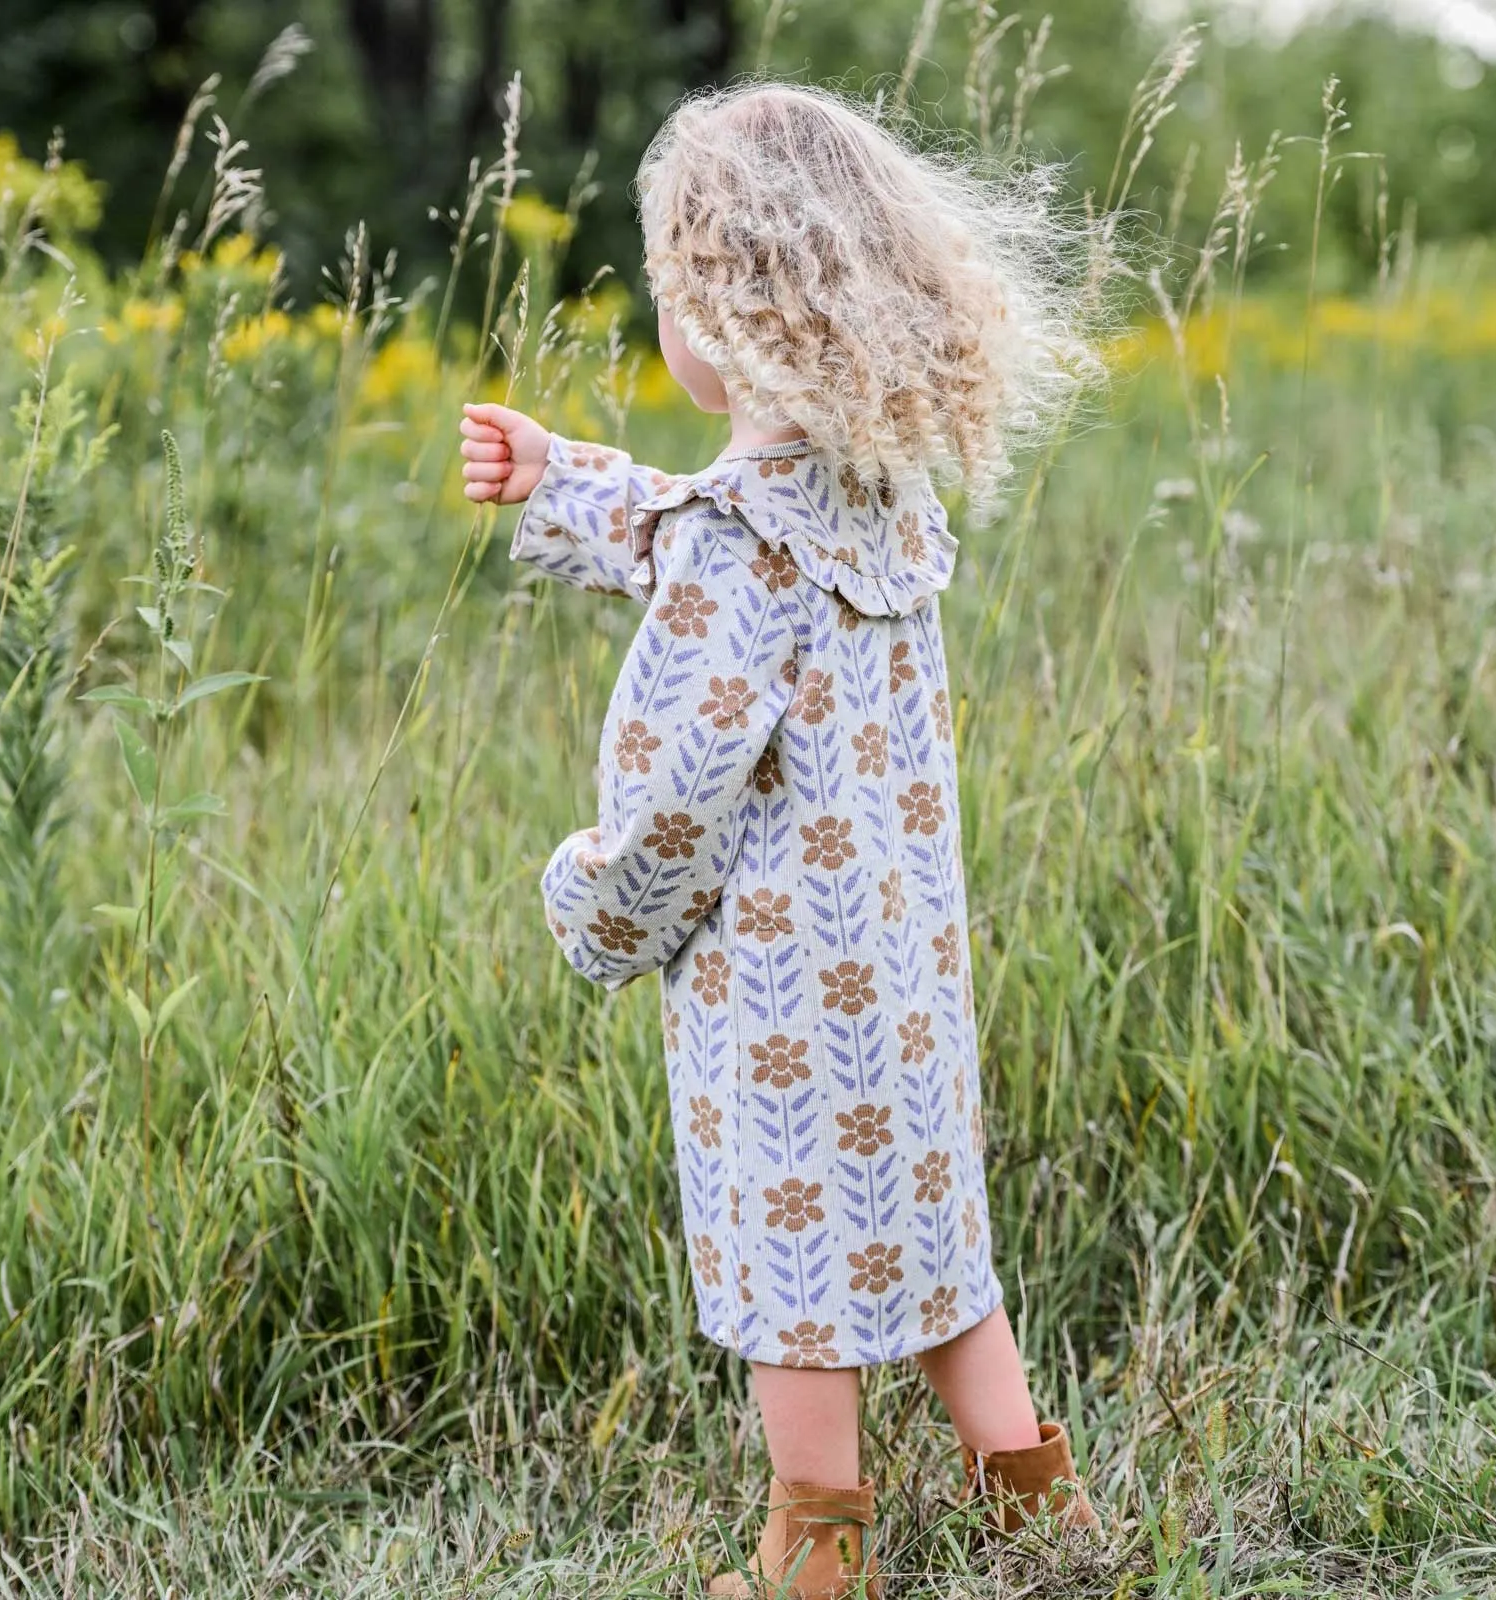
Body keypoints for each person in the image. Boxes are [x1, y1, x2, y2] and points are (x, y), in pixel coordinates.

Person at [461, 81, 1102, 1600]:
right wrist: (569, 475)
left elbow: (675, 784)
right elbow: (708, 526)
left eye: (672, 292)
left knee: (791, 1277)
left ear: (725, 316)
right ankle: (1036, 1499)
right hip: (904, 981)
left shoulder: (742, 547)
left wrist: (597, 907)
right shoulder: (872, 494)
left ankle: (817, 1545)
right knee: (940, 1241)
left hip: (776, 1012)